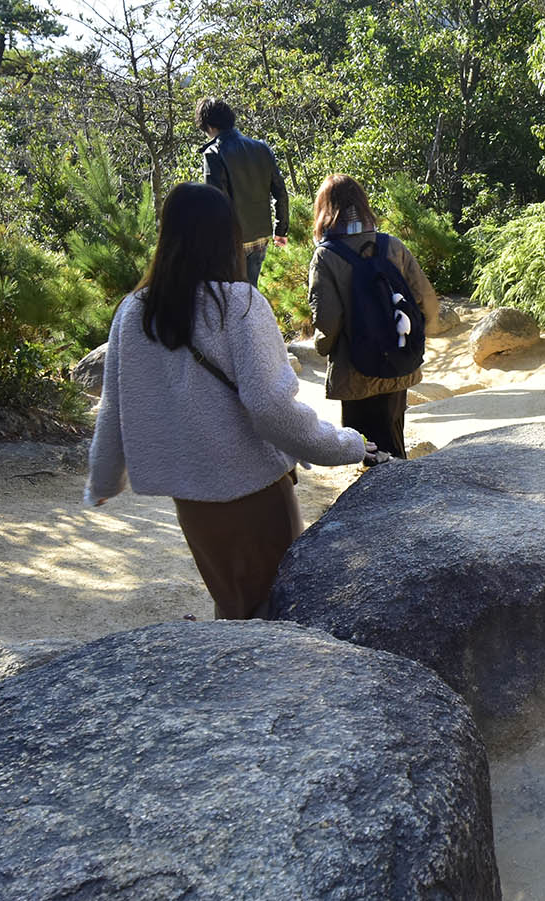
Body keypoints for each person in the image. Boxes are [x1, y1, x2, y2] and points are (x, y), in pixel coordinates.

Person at [85, 182, 372, 620]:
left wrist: (104, 480)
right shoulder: (239, 305)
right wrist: (345, 445)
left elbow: (115, 408)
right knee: (274, 607)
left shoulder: (134, 311)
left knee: (233, 603)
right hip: (254, 491)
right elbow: (272, 408)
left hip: (192, 500)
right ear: (226, 238)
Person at [307, 174, 439, 457]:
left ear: (325, 209)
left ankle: (380, 499)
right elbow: (425, 299)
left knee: (366, 448)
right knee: (393, 437)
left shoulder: (325, 257)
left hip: (355, 369)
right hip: (397, 363)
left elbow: (328, 320)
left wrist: (323, 348)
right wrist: (404, 336)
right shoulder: (392, 245)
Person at [196, 97, 289, 286]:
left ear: (209, 125)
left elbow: (215, 204)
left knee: (229, 301)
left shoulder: (213, 153)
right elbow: (280, 191)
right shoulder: (262, 147)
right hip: (261, 237)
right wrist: (280, 229)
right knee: (250, 294)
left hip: (232, 242)